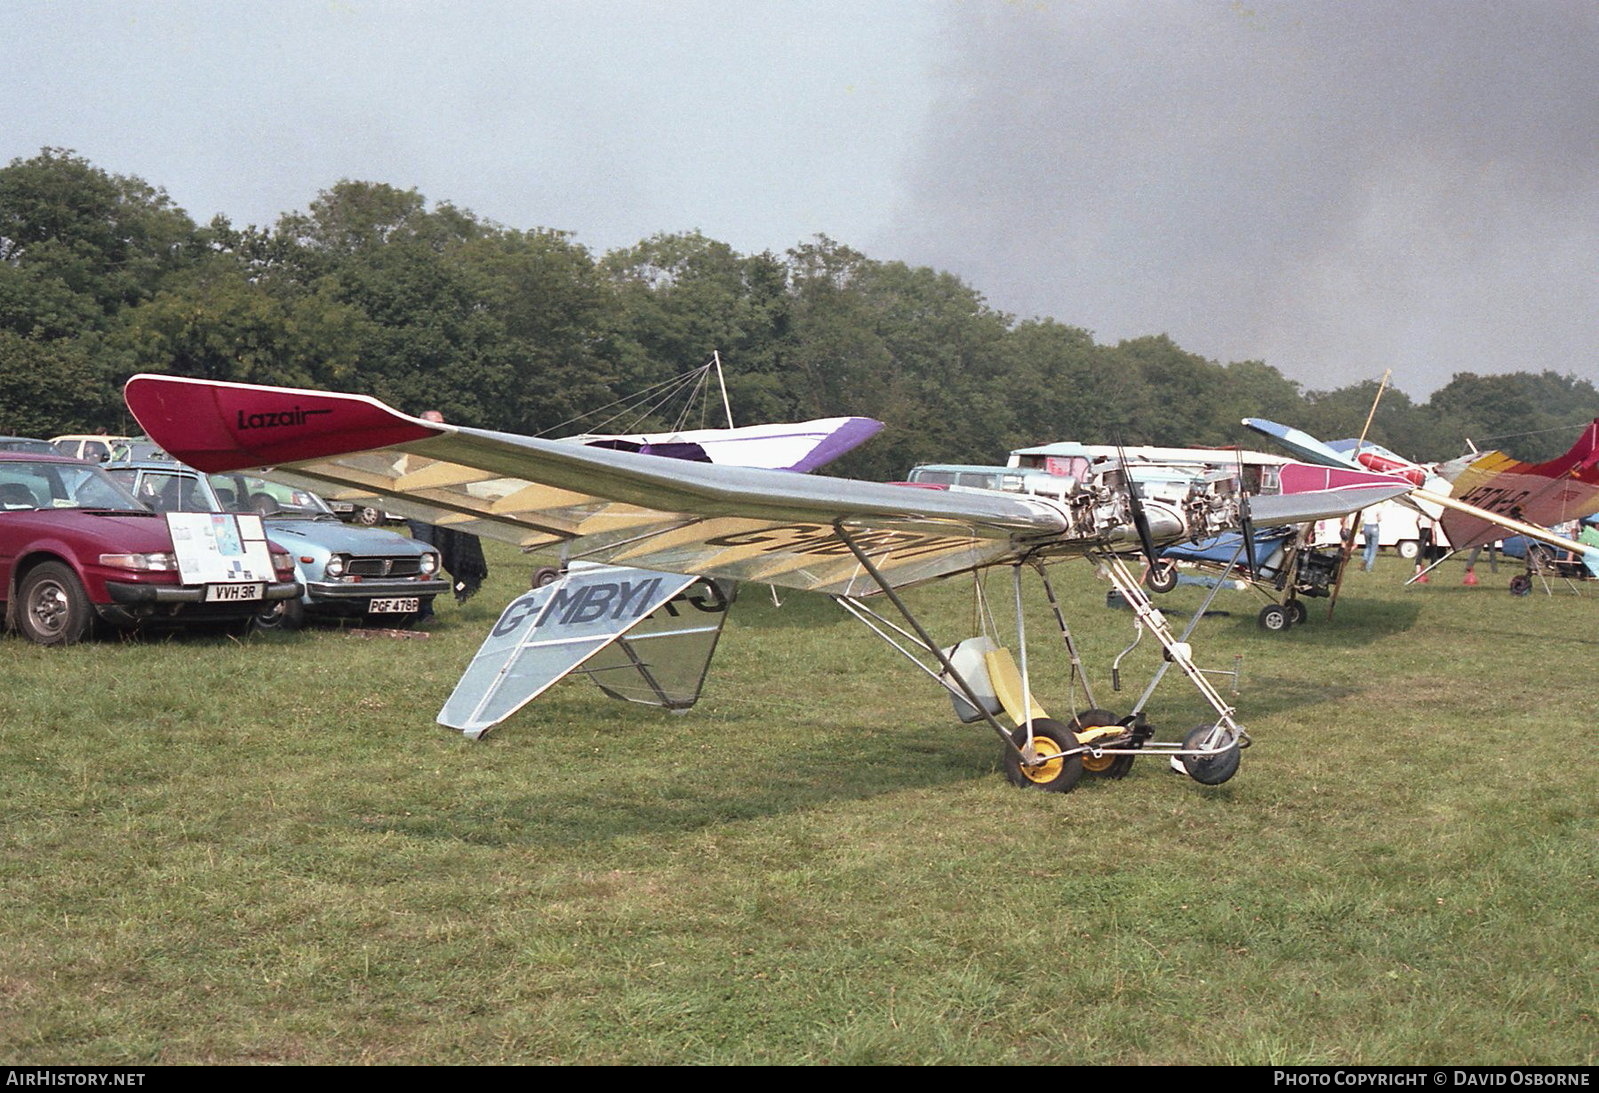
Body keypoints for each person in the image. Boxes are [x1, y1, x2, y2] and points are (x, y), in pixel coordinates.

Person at [406, 409, 489, 623]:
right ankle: (423, 610)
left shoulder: (449, 446)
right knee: (427, 557)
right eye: (436, 423)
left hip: (443, 508)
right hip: (420, 510)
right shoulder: (416, 448)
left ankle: (424, 607)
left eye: (442, 422)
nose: (441, 426)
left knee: (444, 554)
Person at [1361, 506, 1382, 572]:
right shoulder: (1377, 506)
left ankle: (1365, 559)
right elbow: (1379, 518)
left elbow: (1362, 516)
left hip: (1366, 526)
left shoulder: (1366, 506)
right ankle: (1369, 566)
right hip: (1374, 526)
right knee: (1374, 548)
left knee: (1368, 546)